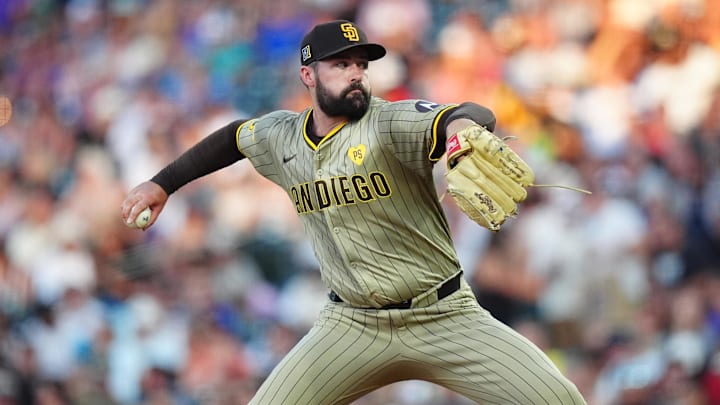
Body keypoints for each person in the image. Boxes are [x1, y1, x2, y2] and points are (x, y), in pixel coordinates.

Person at [121, 20, 586, 405]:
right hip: (352, 325)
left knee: (560, 402)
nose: (356, 73)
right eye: (341, 63)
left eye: (361, 64)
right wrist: (162, 183)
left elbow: (460, 113)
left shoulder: (387, 123)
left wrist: (461, 133)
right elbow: (233, 137)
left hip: (443, 315)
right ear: (308, 75)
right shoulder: (281, 136)